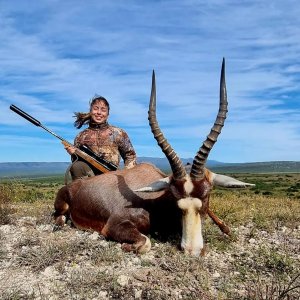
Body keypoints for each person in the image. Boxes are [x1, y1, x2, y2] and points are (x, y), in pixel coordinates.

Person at [64, 94, 137, 181]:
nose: (99, 113)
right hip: (90, 178)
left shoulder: (118, 133)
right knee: (77, 166)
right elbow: (77, 161)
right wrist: (73, 154)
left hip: (112, 177)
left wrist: (126, 177)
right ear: (90, 111)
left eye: (103, 110)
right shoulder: (81, 136)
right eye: (95, 109)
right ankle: (83, 193)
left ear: (108, 114)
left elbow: (130, 156)